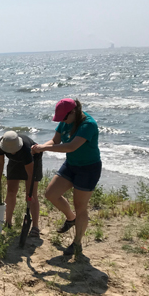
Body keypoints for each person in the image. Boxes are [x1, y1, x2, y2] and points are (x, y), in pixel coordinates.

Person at [32, 98, 102, 256]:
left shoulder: (88, 125)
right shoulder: (64, 122)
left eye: (64, 118)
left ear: (74, 112)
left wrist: (44, 148)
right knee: (51, 194)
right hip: (71, 165)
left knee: (80, 206)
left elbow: (71, 147)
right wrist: (40, 147)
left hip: (88, 169)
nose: (62, 121)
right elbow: (55, 141)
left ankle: (77, 243)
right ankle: (71, 219)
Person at [0, 130, 43, 236]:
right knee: (11, 191)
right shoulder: (0, 146)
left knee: (32, 195)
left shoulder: (26, 149)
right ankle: (8, 222)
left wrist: (29, 193)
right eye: (9, 150)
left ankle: (35, 227)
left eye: (14, 150)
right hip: (14, 162)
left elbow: (30, 174)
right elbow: (0, 162)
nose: (12, 152)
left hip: (33, 159)